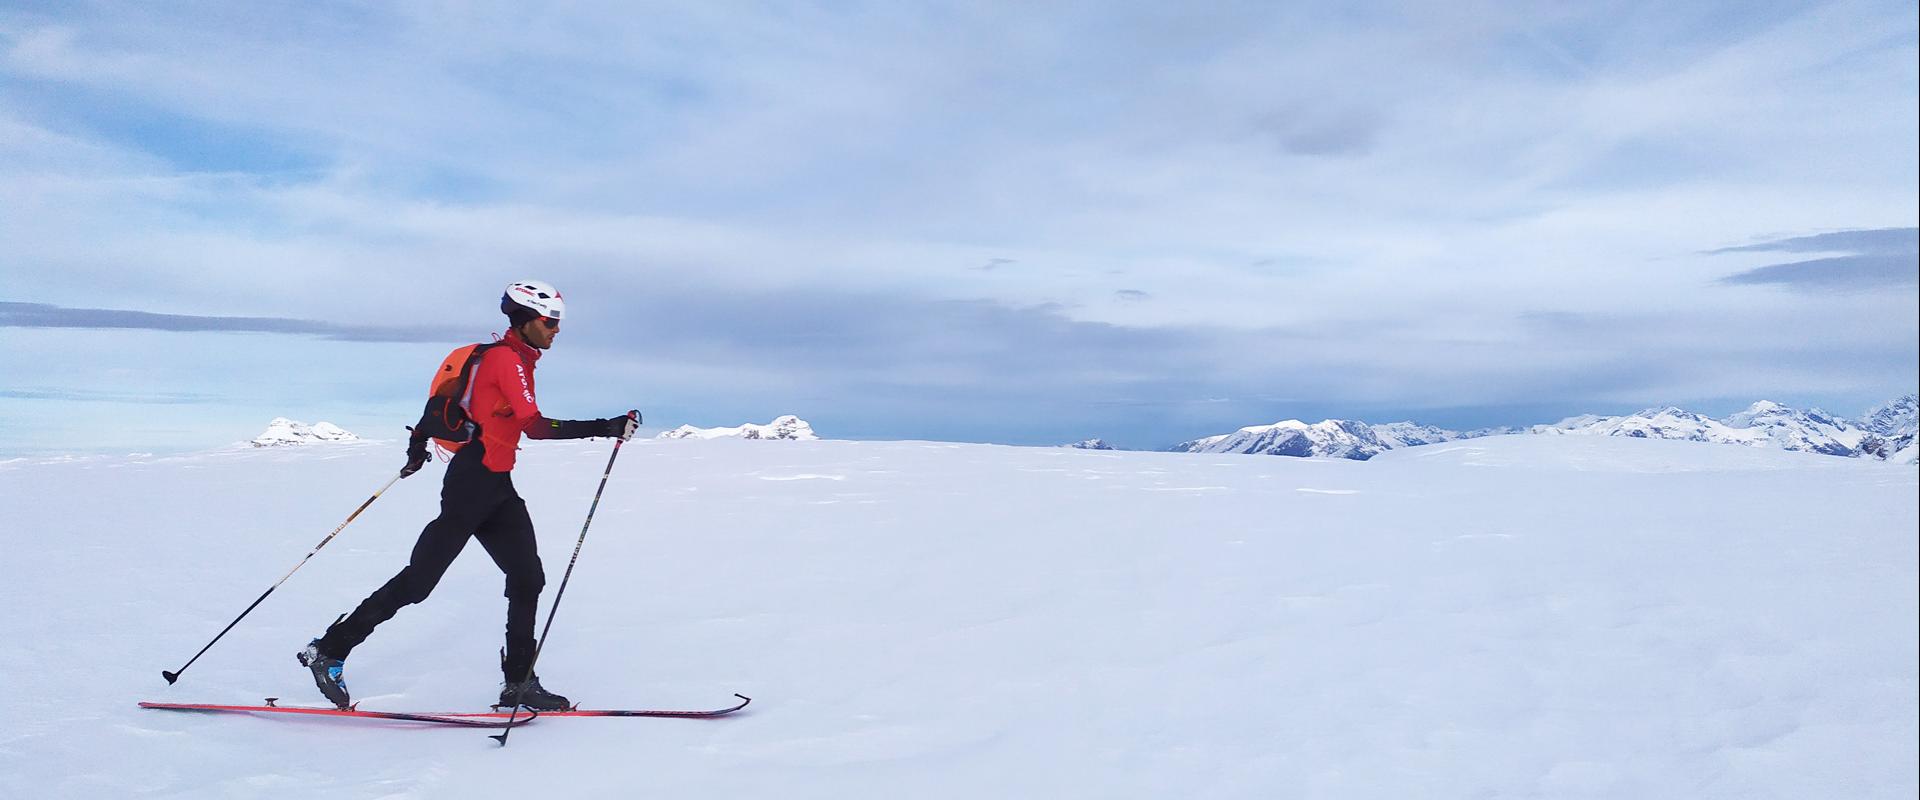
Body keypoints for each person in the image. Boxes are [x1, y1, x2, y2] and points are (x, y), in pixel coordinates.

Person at [298, 280, 637, 711]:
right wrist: (602, 426)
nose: (556, 330)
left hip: (497, 486)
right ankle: (330, 649)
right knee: (418, 582)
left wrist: (418, 445)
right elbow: (532, 425)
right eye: (550, 322)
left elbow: (469, 413)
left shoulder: (513, 360)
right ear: (526, 319)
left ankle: (518, 682)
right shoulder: (505, 360)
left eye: (557, 323)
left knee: (528, 577)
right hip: (472, 483)